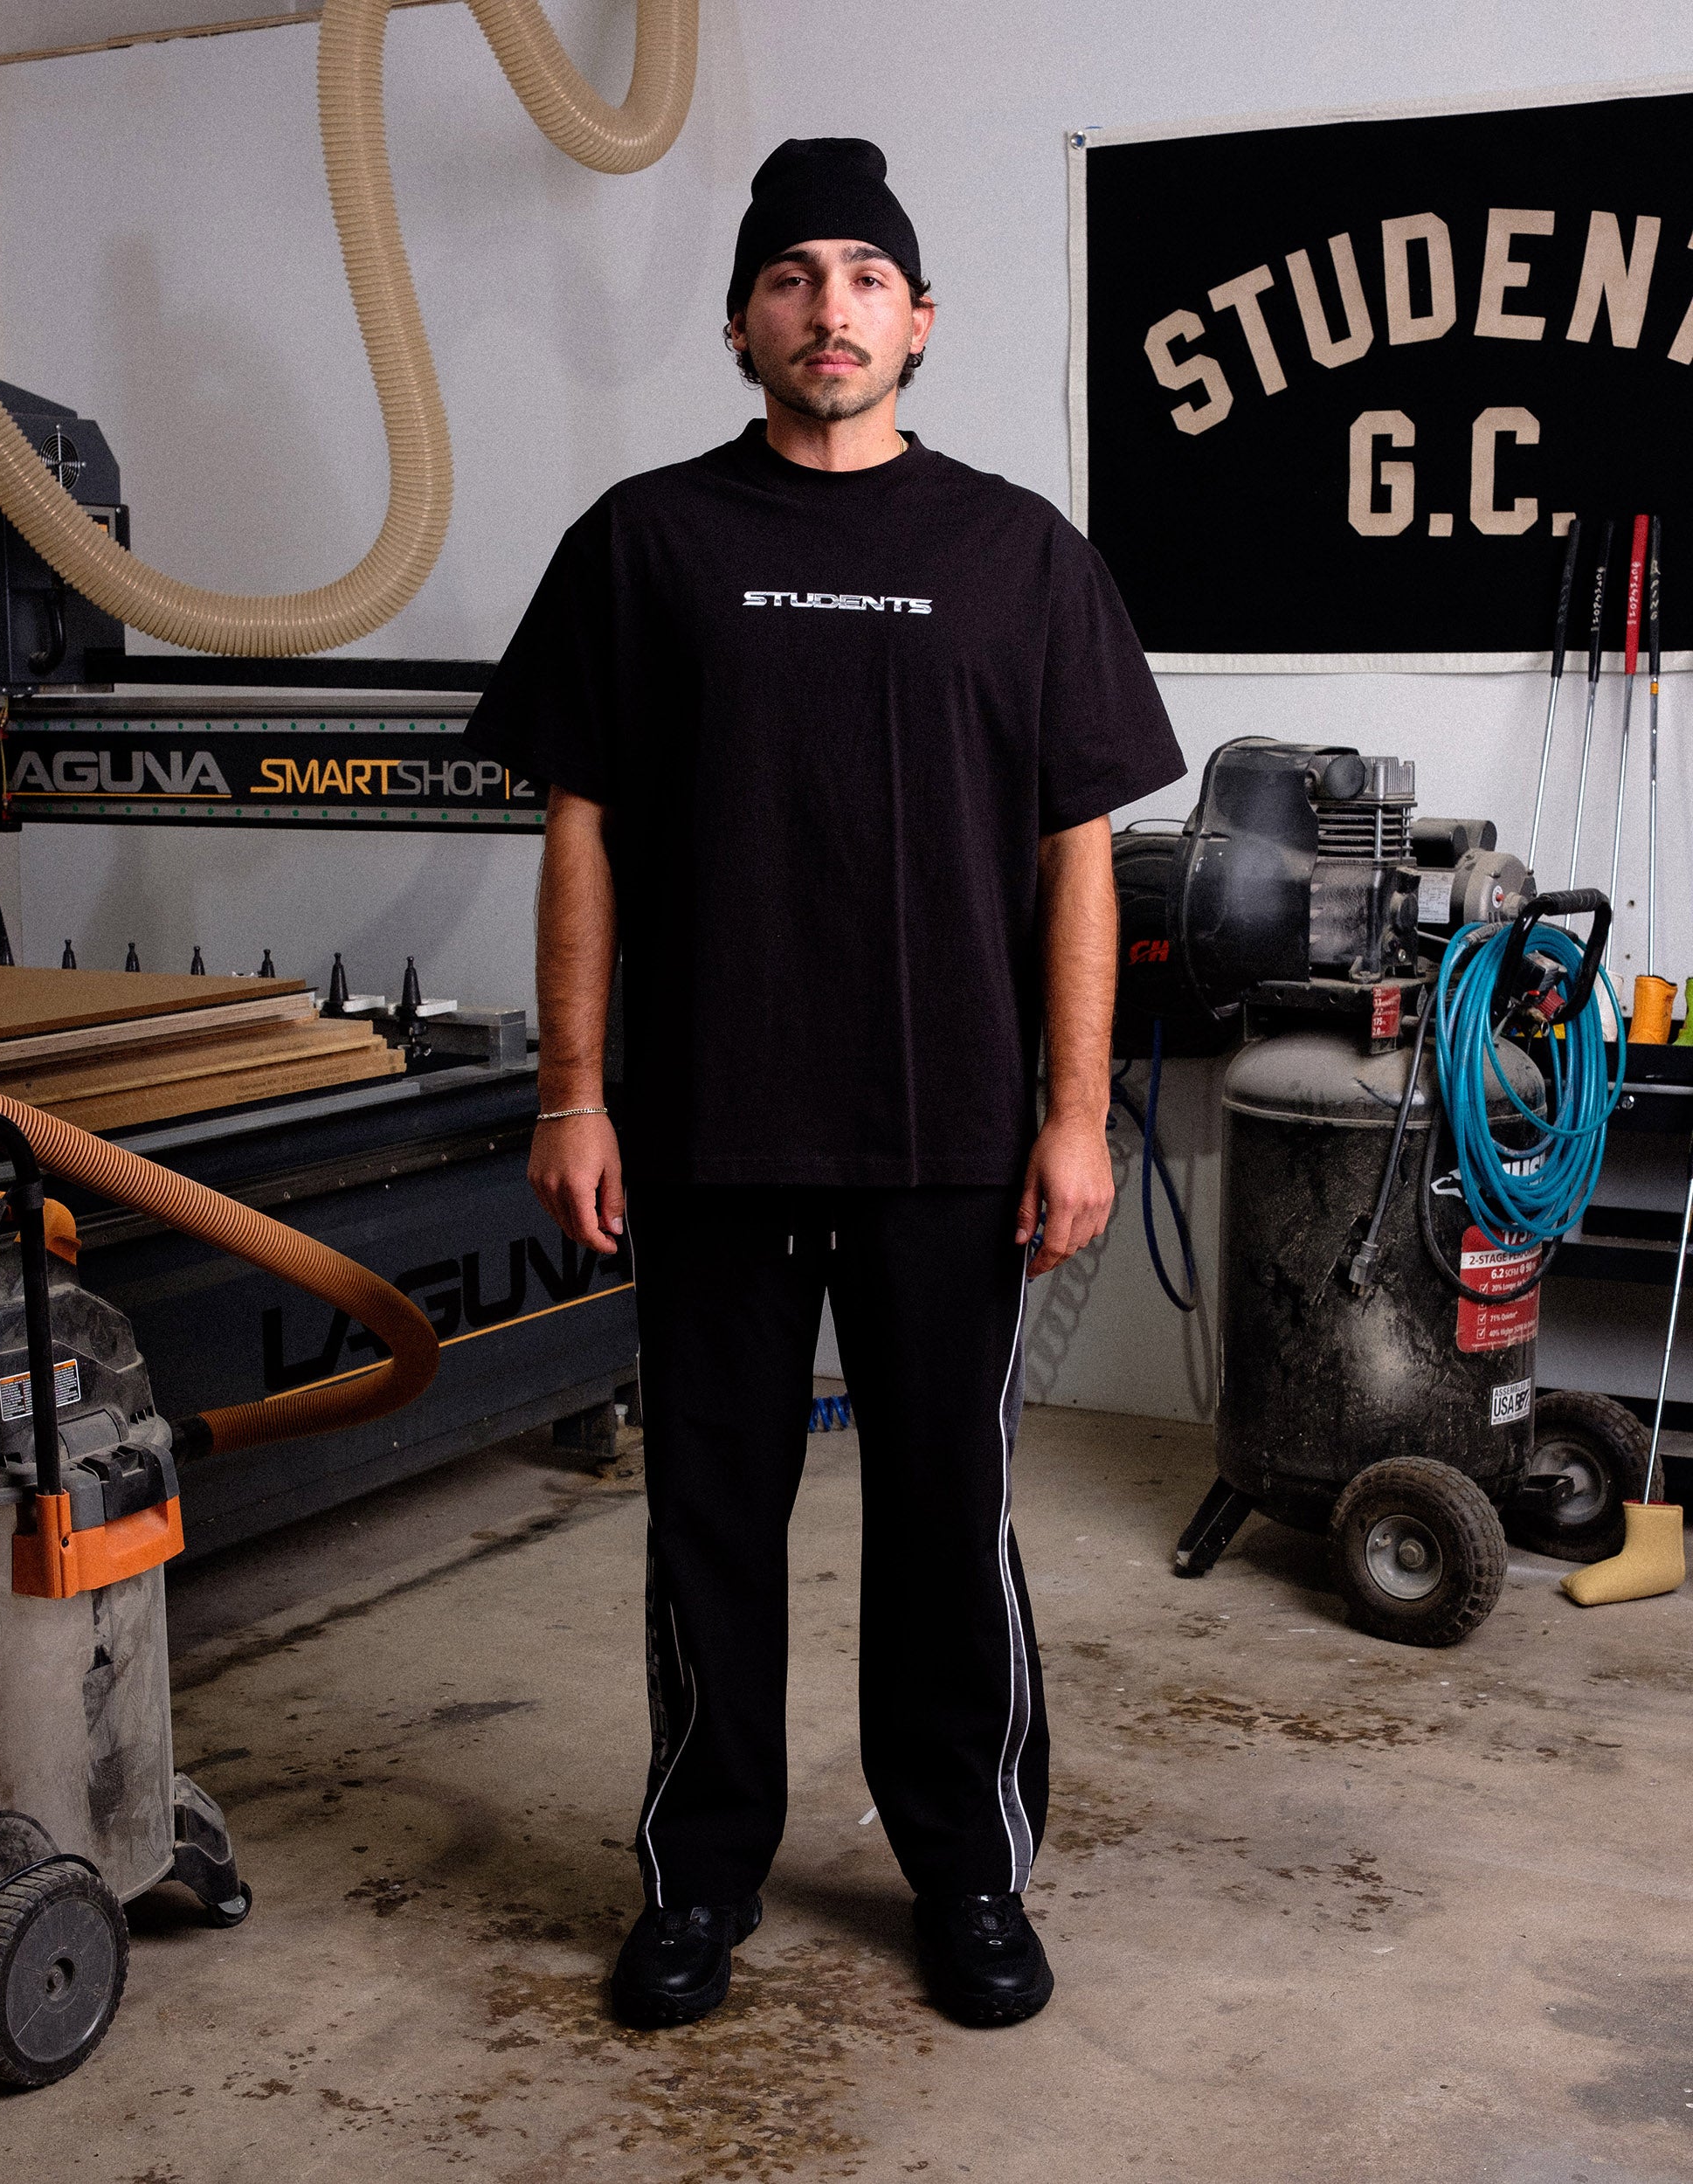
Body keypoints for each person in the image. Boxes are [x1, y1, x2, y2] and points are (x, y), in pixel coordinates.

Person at [466, 135, 1184, 2031]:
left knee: (947, 1516)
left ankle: (964, 1869)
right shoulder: (646, 543)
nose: (831, 305)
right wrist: (568, 1091)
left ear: (922, 320)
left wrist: (1071, 1107)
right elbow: (582, 830)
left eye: (868, 274)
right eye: (794, 275)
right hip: (702, 1121)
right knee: (709, 1509)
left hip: (952, 1131)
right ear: (738, 322)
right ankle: (699, 1873)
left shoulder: (1019, 552)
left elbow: (1078, 857)